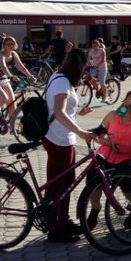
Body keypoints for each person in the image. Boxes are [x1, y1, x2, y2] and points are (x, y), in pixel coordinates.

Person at [44, 48, 96, 243]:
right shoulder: (62, 82)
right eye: (85, 66)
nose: (86, 70)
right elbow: (58, 112)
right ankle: (55, 228)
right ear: (79, 66)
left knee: (66, 182)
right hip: (58, 138)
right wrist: (81, 132)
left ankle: (63, 221)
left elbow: (63, 109)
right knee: (59, 184)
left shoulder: (59, 76)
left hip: (63, 137)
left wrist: (79, 112)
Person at [84, 90, 131, 229]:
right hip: (105, 154)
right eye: (129, 102)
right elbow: (99, 136)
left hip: (125, 158)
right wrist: (110, 143)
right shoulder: (114, 114)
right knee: (93, 179)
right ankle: (95, 209)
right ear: (124, 101)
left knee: (127, 185)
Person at [0, 36, 37, 133]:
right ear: (4, 45)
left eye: (12, 44)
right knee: (3, 98)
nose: (10, 46)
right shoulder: (0, 55)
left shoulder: (14, 54)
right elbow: (3, 67)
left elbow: (21, 67)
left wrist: (30, 76)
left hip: (4, 80)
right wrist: (11, 76)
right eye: (8, 44)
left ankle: (12, 127)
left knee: (12, 102)